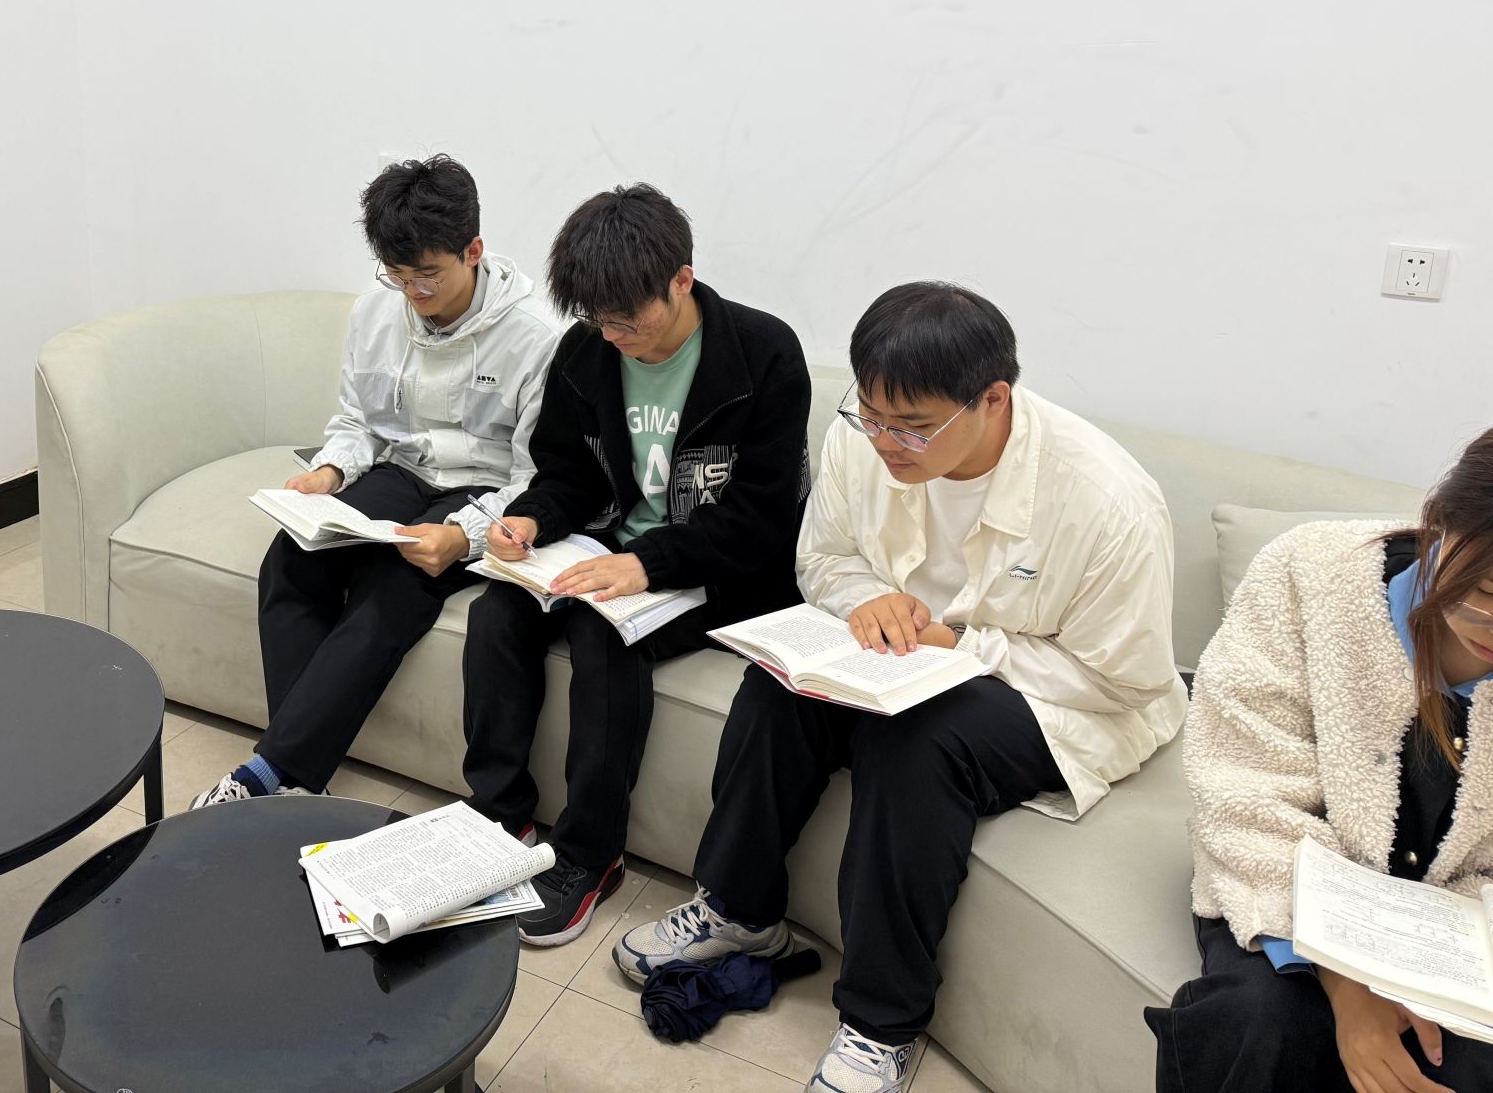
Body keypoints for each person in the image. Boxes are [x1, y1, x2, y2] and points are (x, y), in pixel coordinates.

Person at [615, 281, 1186, 1093]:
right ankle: (739, 913)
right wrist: (865, 599)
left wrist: (964, 644)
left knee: (918, 741)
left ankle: (883, 1022)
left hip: (1060, 697)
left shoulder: (1106, 500)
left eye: (913, 427)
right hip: (901, 656)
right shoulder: (864, 432)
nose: (885, 442)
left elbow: (1120, 677)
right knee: (777, 690)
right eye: (872, 417)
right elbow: (823, 559)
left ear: (993, 400)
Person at [461, 183, 812, 946]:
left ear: (682, 280)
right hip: (613, 549)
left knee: (602, 632)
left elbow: (762, 520)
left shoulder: (763, 354)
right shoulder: (586, 352)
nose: (615, 335)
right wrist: (533, 517)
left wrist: (647, 562)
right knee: (497, 611)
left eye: (629, 319)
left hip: (723, 573)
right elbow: (567, 474)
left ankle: (589, 856)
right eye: (600, 319)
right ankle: (497, 817)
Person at [192, 155, 561, 807]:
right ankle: (296, 777)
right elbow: (358, 422)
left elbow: (536, 476)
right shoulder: (376, 313)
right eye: (397, 274)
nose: (414, 291)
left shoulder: (535, 337)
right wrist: (330, 471)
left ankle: (271, 777)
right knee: (293, 559)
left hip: (483, 490)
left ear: (473, 251)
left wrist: (463, 537)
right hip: (403, 470)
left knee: (395, 584)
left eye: (428, 274)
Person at [1149, 432, 1493, 1093]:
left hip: (1452, 927)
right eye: (1483, 590)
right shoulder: (1310, 575)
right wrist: (1347, 985)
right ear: (1437, 526)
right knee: (1262, 1022)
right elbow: (1244, 793)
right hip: (1287, 882)